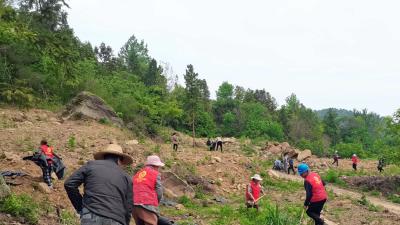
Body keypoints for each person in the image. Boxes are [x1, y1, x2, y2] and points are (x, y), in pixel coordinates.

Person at [64, 144, 133, 225]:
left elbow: (69, 184)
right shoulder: (126, 177)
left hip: (91, 214)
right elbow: (128, 207)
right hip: (117, 219)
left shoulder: (91, 165)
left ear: (104, 157)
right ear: (119, 160)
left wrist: (80, 207)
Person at [132, 155, 165, 225]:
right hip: (147, 202)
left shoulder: (137, 174)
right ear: (155, 165)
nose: (158, 168)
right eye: (158, 166)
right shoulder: (156, 174)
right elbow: (159, 191)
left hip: (134, 203)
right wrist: (156, 203)